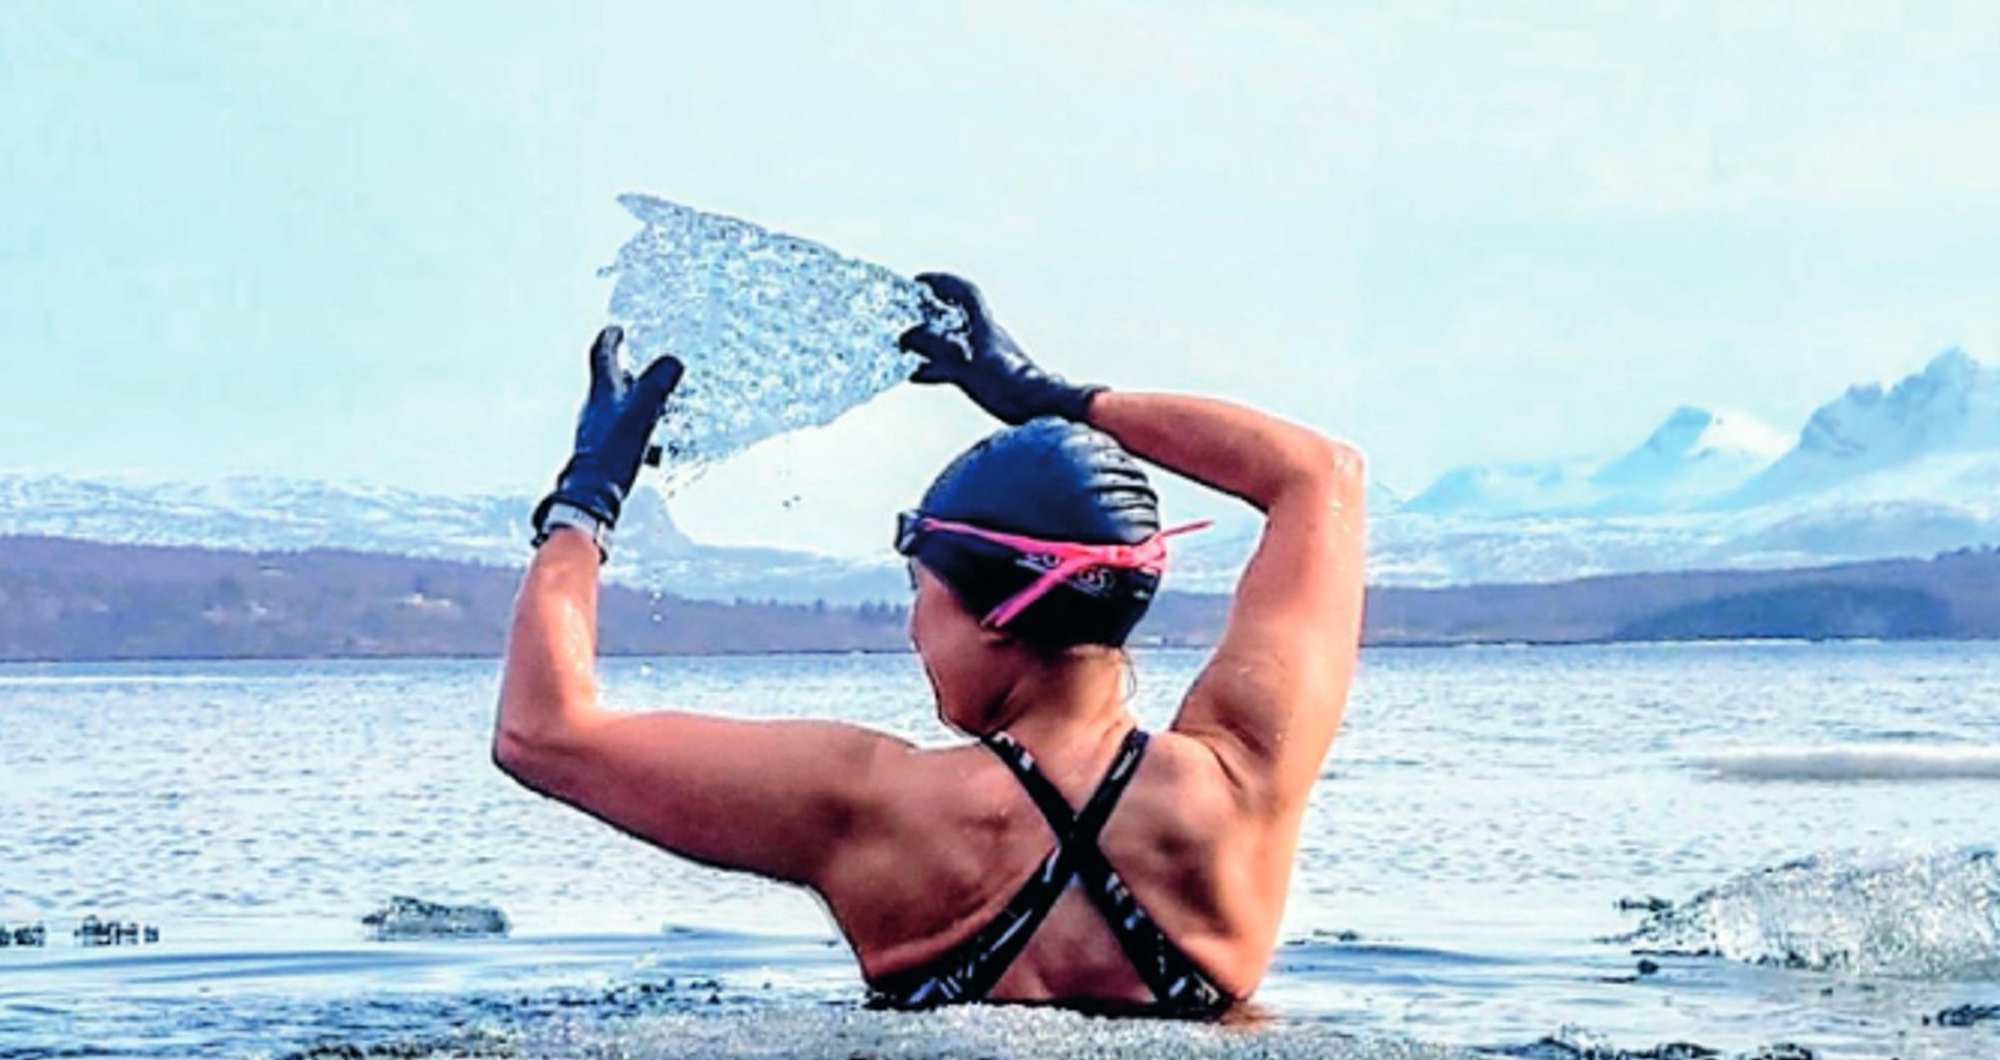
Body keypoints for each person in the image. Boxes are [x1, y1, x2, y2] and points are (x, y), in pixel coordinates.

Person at [495, 274, 1363, 1014]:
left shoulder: (866, 806)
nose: (912, 627)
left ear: (997, 612)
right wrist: (1057, 400)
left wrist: (585, 500)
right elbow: (1316, 474)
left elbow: (542, 733)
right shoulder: (1243, 781)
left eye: (921, 593)